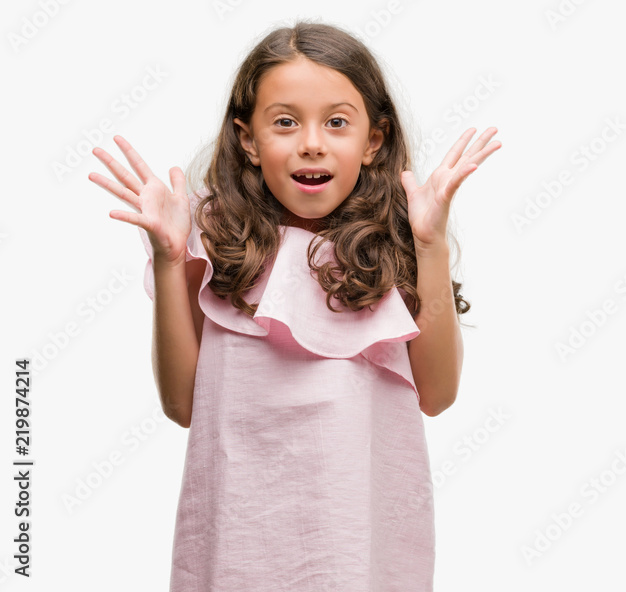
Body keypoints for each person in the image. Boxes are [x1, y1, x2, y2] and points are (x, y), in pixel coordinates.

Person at [87, 19, 500, 591]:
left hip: (358, 555)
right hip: (237, 553)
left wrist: (428, 245)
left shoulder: (394, 247)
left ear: (372, 141)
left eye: (336, 122)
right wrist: (167, 255)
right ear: (248, 140)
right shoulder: (210, 241)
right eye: (285, 122)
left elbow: (438, 394)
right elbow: (183, 405)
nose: (311, 141)